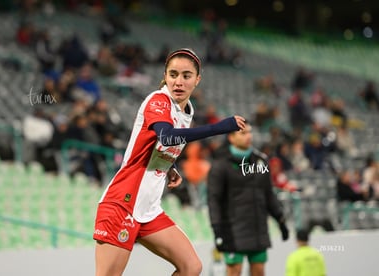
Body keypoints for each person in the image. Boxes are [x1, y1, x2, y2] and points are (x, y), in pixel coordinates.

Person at [93, 48, 246, 276]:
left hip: (149, 209)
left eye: (186, 76)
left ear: (197, 80)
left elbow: (157, 144)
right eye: (173, 74)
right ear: (165, 76)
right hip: (122, 204)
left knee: (191, 267)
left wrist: (169, 167)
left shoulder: (185, 111)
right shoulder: (159, 100)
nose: (179, 81)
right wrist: (220, 127)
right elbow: (166, 136)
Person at [207, 121, 289, 276]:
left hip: (258, 228)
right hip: (231, 230)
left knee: (259, 271)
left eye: (250, 132)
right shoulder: (221, 165)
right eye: (243, 133)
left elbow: (268, 194)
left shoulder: (261, 161)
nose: (248, 136)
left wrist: (281, 220)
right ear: (231, 137)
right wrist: (217, 229)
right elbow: (214, 200)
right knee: (234, 271)